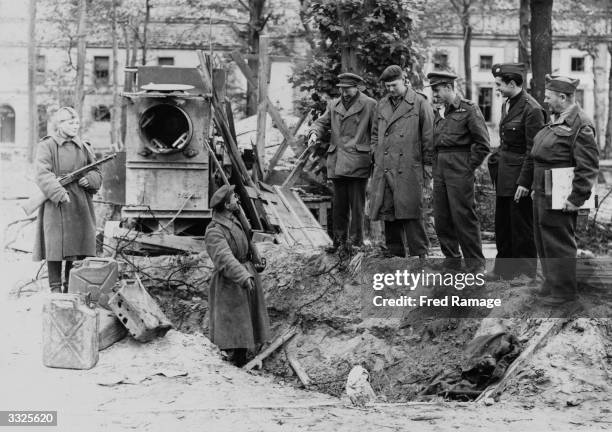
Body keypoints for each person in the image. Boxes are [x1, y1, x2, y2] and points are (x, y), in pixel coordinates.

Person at [530, 75, 599, 306]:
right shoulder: (558, 118)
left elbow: (587, 165)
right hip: (543, 188)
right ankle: (551, 282)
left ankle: (565, 292)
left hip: (561, 192)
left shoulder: (581, 123)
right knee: (543, 238)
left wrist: (576, 197)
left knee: (558, 240)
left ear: (562, 97)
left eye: (549, 97)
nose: (545, 100)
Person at [33, 107, 102, 293]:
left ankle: (71, 285)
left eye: (77, 123)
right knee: (54, 246)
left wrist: (90, 180)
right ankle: (55, 287)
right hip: (56, 201)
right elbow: (42, 173)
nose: (75, 126)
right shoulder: (47, 145)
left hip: (80, 201)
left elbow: (96, 170)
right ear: (59, 124)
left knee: (77, 244)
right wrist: (58, 192)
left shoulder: (84, 146)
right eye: (70, 123)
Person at [487, 63, 546, 281]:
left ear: (513, 83)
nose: (497, 88)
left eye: (499, 84)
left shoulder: (532, 109)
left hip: (520, 177)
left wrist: (525, 182)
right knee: (503, 224)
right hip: (505, 175)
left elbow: (534, 150)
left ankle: (525, 272)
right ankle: (504, 270)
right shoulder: (509, 104)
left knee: (521, 226)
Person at [369, 65, 434, 261]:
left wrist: (427, 169)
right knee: (388, 211)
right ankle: (394, 255)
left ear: (405, 81)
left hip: (409, 167)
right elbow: (374, 134)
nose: (390, 89)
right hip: (386, 165)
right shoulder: (381, 104)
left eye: (394, 85)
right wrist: (376, 153)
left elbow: (429, 137)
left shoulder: (420, 103)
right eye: (387, 86)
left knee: (412, 212)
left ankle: (420, 256)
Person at [427, 71, 490, 273]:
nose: (434, 95)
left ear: (448, 87)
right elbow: (435, 145)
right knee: (442, 218)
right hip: (440, 170)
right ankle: (451, 261)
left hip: (460, 167)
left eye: (436, 90)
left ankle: (475, 265)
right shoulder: (439, 112)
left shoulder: (469, 109)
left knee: (463, 217)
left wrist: (467, 167)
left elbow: (482, 144)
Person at [308, 73, 377, 254]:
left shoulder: (370, 104)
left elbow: (377, 132)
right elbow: (321, 123)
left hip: (358, 161)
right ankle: (339, 242)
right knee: (339, 205)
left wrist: (374, 153)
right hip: (338, 161)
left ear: (357, 87)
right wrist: (315, 133)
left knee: (357, 206)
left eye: (348, 89)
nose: (344, 92)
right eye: (342, 89)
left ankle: (355, 243)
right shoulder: (333, 105)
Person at [204, 184, 270, 366]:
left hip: (245, 272)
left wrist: (255, 262)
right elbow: (224, 258)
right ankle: (232, 361)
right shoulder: (214, 230)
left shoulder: (236, 220)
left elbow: (245, 243)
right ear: (226, 205)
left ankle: (241, 358)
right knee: (233, 325)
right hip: (229, 282)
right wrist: (242, 275)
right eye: (234, 198)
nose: (237, 200)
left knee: (245, 321)